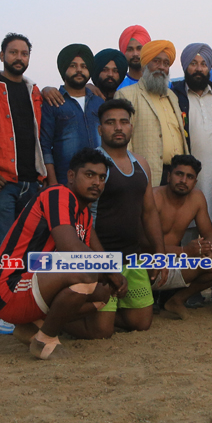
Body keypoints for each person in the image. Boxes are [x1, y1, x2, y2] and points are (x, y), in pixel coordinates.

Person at [0, 149, 126, 361]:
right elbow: (70, 248)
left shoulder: (84, 213)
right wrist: (109, 270)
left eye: (102, 177)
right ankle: (44, 339)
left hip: (39, 281)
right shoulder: (58, 195)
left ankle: (33, 326)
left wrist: (114, 275)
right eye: (89, 175)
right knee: (86, 273)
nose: (97, 183)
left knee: (103, 292)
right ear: (71, 176)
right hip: (10, 287)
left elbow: (96, 255)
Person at [0, 33, 47, 335]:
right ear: (2, 55)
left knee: (31, 249)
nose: (19, 58)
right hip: (2, 182)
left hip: (32, 183)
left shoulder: (35, 91)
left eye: (24, 53)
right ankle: (2, 311)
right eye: (13, 52)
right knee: (3, 249)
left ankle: (26, 307)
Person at [87, 99, 163, 337]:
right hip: (100, 258)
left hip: (132, 257)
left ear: (131, 127)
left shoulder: (141, 164)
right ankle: (59, 316)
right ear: (100, 129)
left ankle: (106, 312)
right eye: (110, 122)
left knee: (141, 323)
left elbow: (149, 211)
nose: (118, 127)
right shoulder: (94, 165)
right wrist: (99, 262)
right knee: (102, 331)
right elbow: (82, 218)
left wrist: (160, 253)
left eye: (123, 122)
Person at [153, 154, 212, 318]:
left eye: (190, 177)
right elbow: (143, 245)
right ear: (168, 176)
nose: (183, 180)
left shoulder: (197, 198)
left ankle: (176, 300)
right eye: (179, 174)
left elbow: (209, 236)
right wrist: (184, 251)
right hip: (148, 264)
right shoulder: (154, 197)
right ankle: (149, 297)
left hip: (175, 263)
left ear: (195, 181)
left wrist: (207, 250)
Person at [170, 43, 212, 218]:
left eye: (204, 64)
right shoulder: (174, 95)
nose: (199, 69)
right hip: (186, 170)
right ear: (185, 66)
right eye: (193, 63)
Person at [116, 39, 188, 186]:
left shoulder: (172, 96)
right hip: (145, 175)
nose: (161, 67)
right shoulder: (126, 95)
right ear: (145, 64)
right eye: (156, 61)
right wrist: (130, 175)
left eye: (166, 63)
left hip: (177, 175)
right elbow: (123, 142)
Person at [40, 44, 103, 186]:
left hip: (99, 182)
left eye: (84, 66)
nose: (79, 70)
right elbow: (45, 146)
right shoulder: (53, 101)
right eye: (73, 66)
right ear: (64, 69)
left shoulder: (98, 102)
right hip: (66, 182)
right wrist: (52, 182)